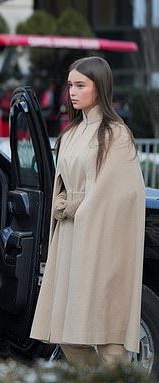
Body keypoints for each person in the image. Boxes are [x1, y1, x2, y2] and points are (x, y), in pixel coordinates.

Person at [30, 56, 145, 366]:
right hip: (70, 236)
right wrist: (60, 203)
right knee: (67, 333)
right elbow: (62, 184)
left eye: (81, 85)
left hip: (103, 240)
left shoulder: (115, 135)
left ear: (100, 87)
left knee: (109, 333)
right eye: (70, 85)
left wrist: (76, 207)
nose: (72, 92)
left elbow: (121, 193)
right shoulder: (71, 133)